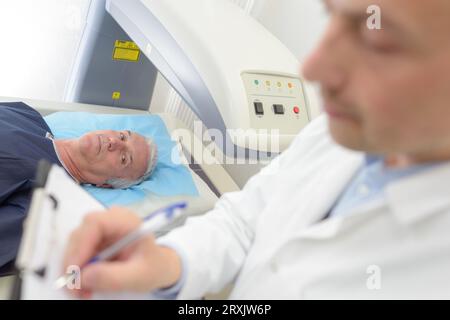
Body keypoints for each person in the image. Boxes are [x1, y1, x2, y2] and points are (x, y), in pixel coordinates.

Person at [64, 0, 450, 299]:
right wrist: (168, 262)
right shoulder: (339, 135)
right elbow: (246, 219)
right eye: (332, 15)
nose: (313, 68)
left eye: (377, 39)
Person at [0, 102, 158, 270]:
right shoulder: (27, 114)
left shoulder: (45, 206)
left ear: (105, 184)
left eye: (124, 158)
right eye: (122, 136)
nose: (114, 143)